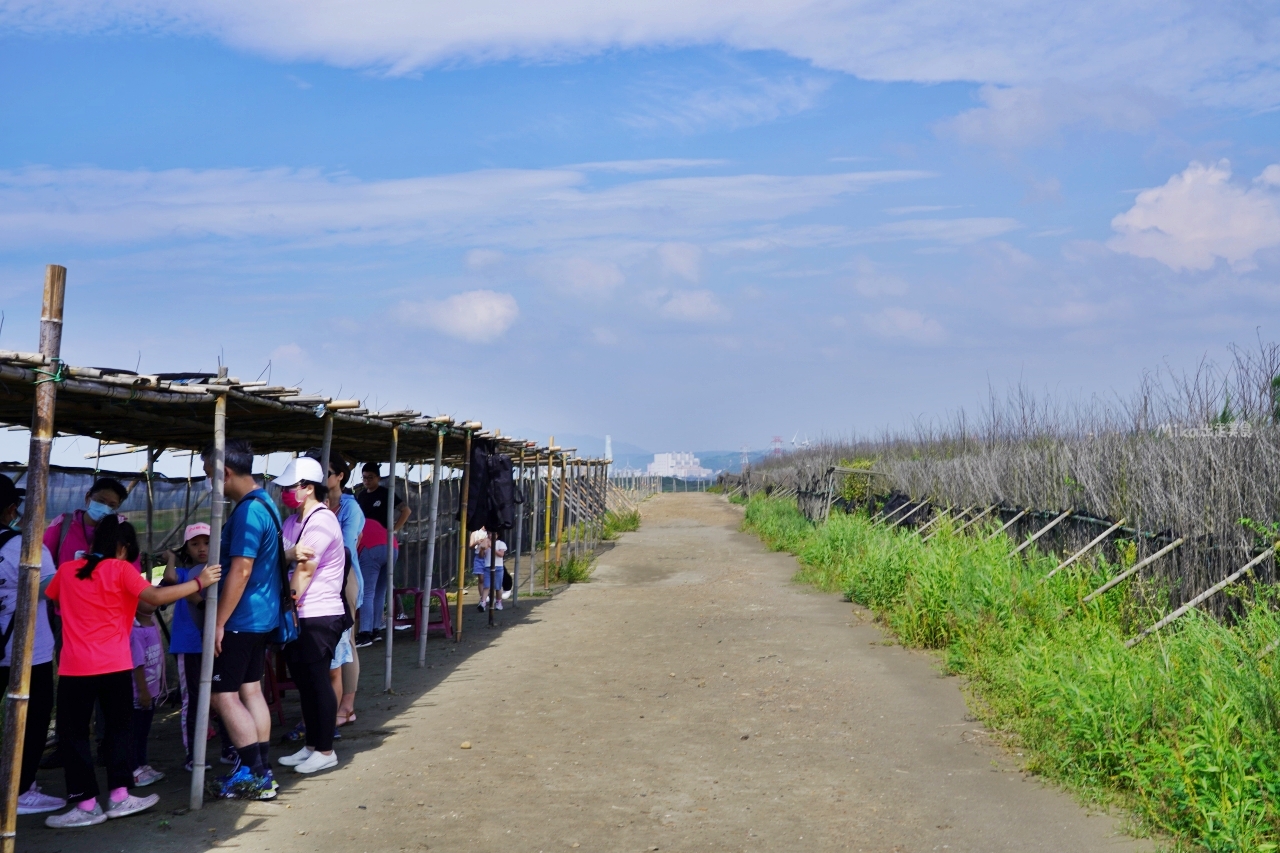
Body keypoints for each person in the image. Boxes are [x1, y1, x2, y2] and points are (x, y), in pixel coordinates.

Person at [43, 516, 220, 828]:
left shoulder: (67, 571)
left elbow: (52, 595)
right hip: (115, 665)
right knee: (119, 730)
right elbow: (153, 597)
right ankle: (119, 795)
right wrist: (198, 583)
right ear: (123, 548)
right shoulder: (121, 569)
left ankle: (85, 803)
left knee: (74, 736)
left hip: (74, 668)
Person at [203, 438, 282, 800]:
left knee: (223, 696)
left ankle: (254, 775)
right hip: (262, 617)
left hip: (241, 618)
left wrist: (219, 621)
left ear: (226, 472)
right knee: (250, 690)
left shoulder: (248, 511)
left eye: (209, 474)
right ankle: (260, 768)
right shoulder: (266, 502)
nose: (209, 481)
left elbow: (242, 569)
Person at [274, 457, 346, 775]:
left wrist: (286, 601)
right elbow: (282, 556)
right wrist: (285, 554)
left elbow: (302, 572)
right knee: (303, 682)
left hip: (318, 613)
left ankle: (326, 749)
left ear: (306, 487)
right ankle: (311, 745)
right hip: (297, 615)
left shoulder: (321, 521)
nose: (284, 492)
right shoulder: (292, 522)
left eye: (289, 487)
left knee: (317, 681)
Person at [0, 474, 65, 815]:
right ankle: (22, 790)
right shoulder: (25, 546)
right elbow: (50, 590)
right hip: (26, 651)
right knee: (35, 718)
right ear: (12, 509)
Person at [161, 523, 236, 772]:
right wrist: (171, 559)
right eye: (195, 544)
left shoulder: (220, 571)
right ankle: (192, 755)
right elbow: (169, 579)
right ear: (187, 549)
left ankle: (229, 748)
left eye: (206, 543)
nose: (202, 549)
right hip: (189, 645)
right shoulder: (184, 575)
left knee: (223, 696)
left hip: (215, 643)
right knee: (192, 700)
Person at [304, 449, 364, 728]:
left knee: (345, 641)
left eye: (325, 473)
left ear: (340, 476)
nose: (319, 477)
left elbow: (347, 544)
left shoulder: (349, 507)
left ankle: (347, 707)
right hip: (316, 579)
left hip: (344, 575)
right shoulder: (310, 505)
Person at [354, 463, 409, 646]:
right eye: (364, 477)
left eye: (370, 477)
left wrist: (395, 528)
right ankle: (375, 630)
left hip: (378, 545)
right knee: (377, 591)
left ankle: (365, 633)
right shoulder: (360, 496)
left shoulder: (386, 493)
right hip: (375, 544)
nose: (367, 481)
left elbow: (405, 510)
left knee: (369, 591)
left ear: (378, 477)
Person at [43, 477, 133, 568]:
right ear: (88, 497)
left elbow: (132, 568)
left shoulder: (121, 530)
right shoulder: (63, 524)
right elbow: (44, 561)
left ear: (116, 507)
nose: (105, 508)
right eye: (101, 501)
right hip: (64, 581)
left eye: (111, 505)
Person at [129, 600, 165, 787]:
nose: (151, 599)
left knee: (143, 732)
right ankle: (134, 769)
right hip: (138, 694)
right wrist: (143, 691)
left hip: (150, 692)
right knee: (135, 732)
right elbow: (138, 665)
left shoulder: (152, 625)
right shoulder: (135, 632)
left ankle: (143, 764)